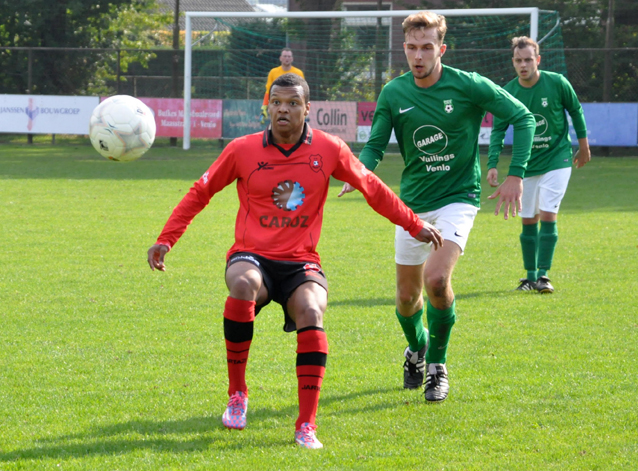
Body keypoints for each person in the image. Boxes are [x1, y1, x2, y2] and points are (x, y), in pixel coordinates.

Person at [147, 73, 442, 449]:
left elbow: (372, 188)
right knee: (242, 285)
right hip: (251, 255)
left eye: (291, 103)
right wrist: (166, 239)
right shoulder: (241, 149)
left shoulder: (330, 149)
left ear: (307, 109)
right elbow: (200, 191)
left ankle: (306, 424)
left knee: (312, 312)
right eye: (276, 102)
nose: (282, 110)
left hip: (301, 260)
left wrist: (413, 224)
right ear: (267, 106)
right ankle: (237, 395)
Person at [338, 11, 535, 402]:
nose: (418, 55)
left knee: (436, 281)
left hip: (458, 199)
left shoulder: (469, 85)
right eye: (411, 47)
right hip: (411, 205)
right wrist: (357, 172)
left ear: (441, 49)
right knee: (407, 298)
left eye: (426, 47)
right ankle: (416, 349)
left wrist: (516, 174)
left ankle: (437, 366)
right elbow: (376, 144)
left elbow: (523, 118)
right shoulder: (394, 93)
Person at [487, 36, 591, 294]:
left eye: (528, 60)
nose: (523, 65)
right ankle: (529, 277)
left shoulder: (556, 83)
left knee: (547, 214)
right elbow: (498, 128)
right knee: (528, 220)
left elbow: (575, 110)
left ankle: (544, 276)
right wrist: (492, 164)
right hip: (526, 165)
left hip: (558, 158)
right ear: (513, 62)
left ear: (538, 60)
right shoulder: (509, 92)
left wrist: (584, 144)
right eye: (519, 60)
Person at [261, 48, 305, 124]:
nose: (287, 58)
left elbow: (303, 92)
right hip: (277, 106)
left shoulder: (298, 73)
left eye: (289, 56)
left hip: (292, 106)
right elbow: (268, 91)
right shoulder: (273, 72)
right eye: (285, 56)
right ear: (280, 58)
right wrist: (264, 107)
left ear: (292, 59)